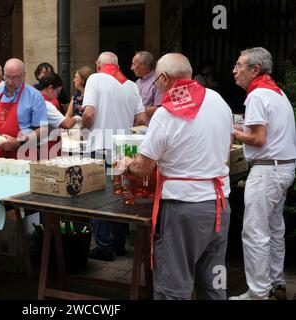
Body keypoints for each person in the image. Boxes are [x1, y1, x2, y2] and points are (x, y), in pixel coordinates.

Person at [121, 53, 232, 300]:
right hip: (219, 206)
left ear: (162, 78)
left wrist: (128, 165)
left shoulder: (165, 114)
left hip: (183, 212)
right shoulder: (218, 101)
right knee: (214, 282)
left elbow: (143, 167)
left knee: (174, 286)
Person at [229, 47, 296, 300]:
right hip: (284, 167)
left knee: (255, 232)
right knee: (274, 229)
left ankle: (257, 294)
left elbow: (257, 139)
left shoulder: (257, 95)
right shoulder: (277, 92)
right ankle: (276, 284)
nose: (234, 71)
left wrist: (234, 132)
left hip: (267, 170)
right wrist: (242, 126)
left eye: (239, 65)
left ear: (255, 69)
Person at [82, 51, 146, 261]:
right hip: (125, 149)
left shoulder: (95, 78)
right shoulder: (131, 85)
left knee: (99, 196)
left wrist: (84, 129)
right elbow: (142, 119)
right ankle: (119, 244)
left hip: (100, 145)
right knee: (121, 195)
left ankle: (103, 247)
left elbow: (89, 113)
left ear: (99, 64)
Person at [0, 58, 48, 161]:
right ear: (3, 74)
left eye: (15, 78)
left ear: (23, 75)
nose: (10, 82)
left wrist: (18, 142)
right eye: (7, 77)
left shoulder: (35, 96)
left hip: (25, 155)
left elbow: (43, 130)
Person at [37, 72, 82, 158]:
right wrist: (79, 116)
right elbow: (67, 124)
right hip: (48, 148)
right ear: (50, 88)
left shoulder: (35, 99)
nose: (57, 96)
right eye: (57, 92)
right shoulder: (46, 104)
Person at [131, 51, 162, 124]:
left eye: (134, 64)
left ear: (143, 65)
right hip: (136, 128)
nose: (131, 68)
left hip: (150, 128)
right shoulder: (137, 82)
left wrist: (138, 111)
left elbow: (160, 109)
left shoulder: (157, 82)